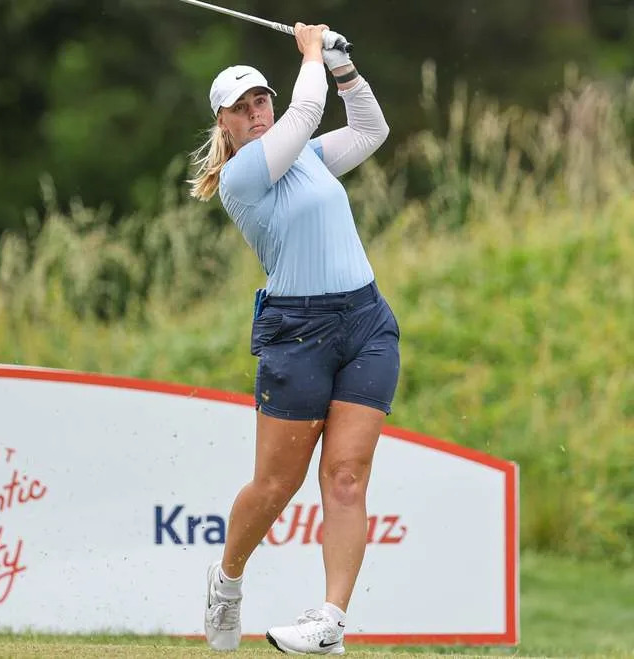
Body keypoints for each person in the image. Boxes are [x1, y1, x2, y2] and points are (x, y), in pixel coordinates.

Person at [188, 22, 399, 655]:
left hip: (366, 322)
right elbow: (305, 112)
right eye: (242, 108)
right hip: (297, 333)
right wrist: (311, 52)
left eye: (262, 101)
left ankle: (330, 621)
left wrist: (342, 66)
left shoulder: (306, 156)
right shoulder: (243, 177)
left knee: (346, 477)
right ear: (224, 124)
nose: (256, 112)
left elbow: (371, 130)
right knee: (276, 486)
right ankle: (227, 581)